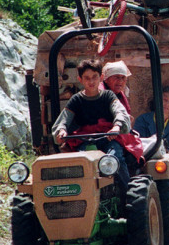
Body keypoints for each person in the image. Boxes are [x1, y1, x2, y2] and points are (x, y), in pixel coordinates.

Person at [52, 59, 137, 192]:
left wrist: (116, 126)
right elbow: (64, 119)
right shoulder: (76, 100)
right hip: (85, 141)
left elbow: (119, 111)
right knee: (82, 164)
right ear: (80, 79)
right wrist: (61, 130)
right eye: (87, 78)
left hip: (109, 139)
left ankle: (126, 196)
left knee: (115, 159)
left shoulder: (108, 96)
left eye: (94, 77)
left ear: (101, 78)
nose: (91, 82)